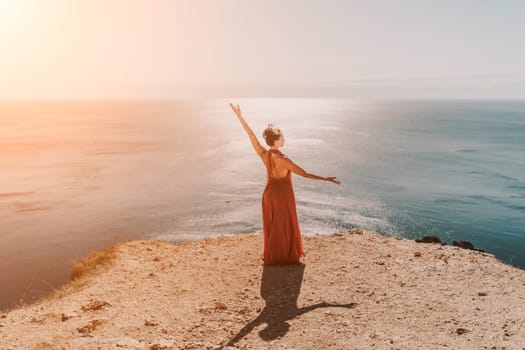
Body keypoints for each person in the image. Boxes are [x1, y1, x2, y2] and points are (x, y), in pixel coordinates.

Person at [229, 102, 340, 265]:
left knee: (273, 225)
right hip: (282, 196)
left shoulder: (264, 154)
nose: (284, 139)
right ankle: (285, 256)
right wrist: (326, 179)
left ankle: (273, 254)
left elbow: (251, 136)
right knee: (285, 223)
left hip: (268, 194)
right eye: (282, 137)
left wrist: (239, 116)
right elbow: (305, 174)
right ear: (277, 140)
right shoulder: (284, 160)